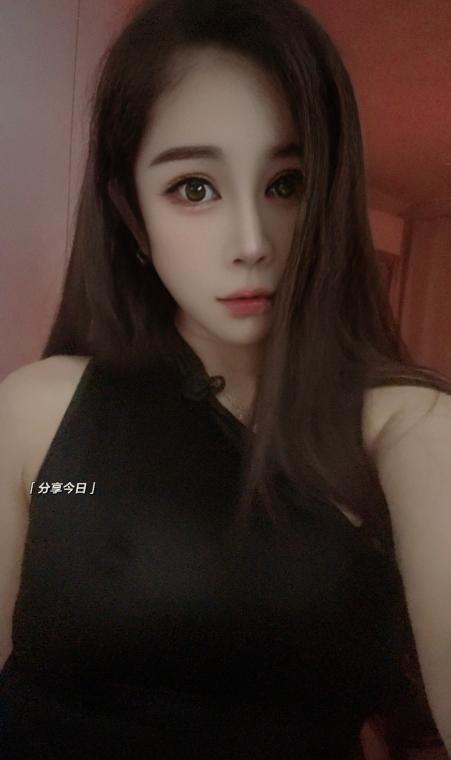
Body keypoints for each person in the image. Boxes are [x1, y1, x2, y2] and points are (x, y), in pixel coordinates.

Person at [1, 0, 450, 758]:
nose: (251, 243)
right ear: (131, 214)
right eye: (194, 188)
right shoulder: (39, 413)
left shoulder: (408, 427)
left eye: (287, 183)